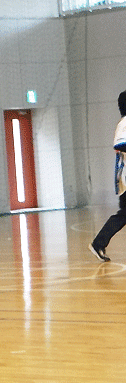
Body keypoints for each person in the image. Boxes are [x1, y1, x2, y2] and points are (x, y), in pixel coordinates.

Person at [90, 90, 126, 262]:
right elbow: (119, 144)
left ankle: (99, 243)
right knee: (124, 214)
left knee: (124, 214)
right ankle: (98, 243)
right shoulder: (124, 123)